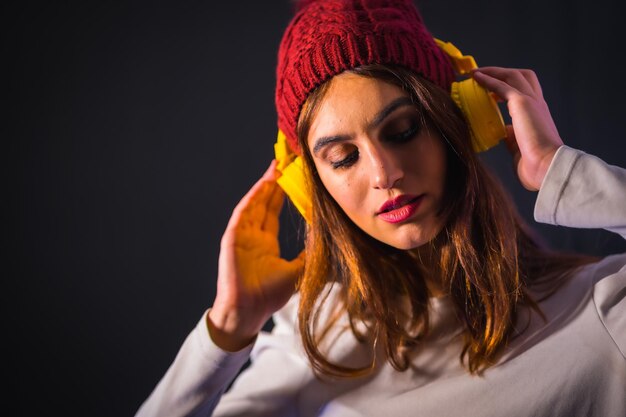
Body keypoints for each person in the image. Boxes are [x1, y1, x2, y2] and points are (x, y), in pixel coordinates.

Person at [135, 0, 626, 416]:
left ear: (462, 121)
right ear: (311, 188)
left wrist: (560, 173)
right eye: (343, 157)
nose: (383, 173)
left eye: (404, 130)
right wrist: (225, 330)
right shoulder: (319, 339)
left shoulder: (601, 309)